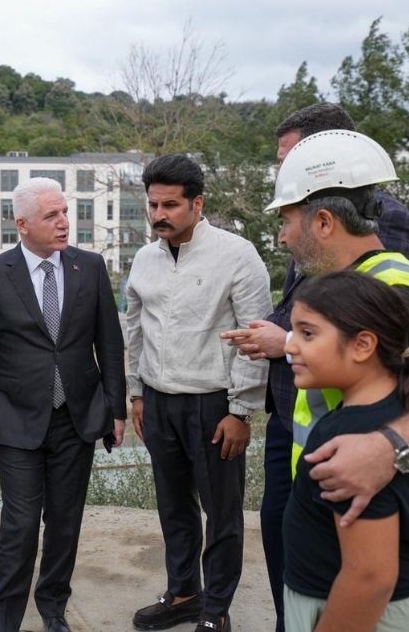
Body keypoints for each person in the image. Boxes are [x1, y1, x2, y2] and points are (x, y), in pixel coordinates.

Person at [219, 102, 409, 632]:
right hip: (298, 416)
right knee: (288, 538)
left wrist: (286, 340)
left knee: (339, 557)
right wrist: (274, 330)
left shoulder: (384, 228)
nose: (281, 172)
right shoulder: (314, 221)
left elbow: (372, 329)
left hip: (352, 430)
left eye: (290, 157)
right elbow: (315, 306)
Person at [263, 129, 409, 603]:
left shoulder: (396, 292)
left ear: (323, 222)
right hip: (360, 543)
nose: (282, 237)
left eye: (285, 221)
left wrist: (386, 452)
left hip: (403, 561)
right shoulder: (356, 288)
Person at [0, 176, 126, 632]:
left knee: (65, 523)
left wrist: (114, 411)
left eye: (64, 213)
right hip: (16, 420)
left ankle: (53, 608)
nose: (63, 223)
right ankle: (4, 620)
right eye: (51, 215)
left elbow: (108, 344)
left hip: (76, 419)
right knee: (18, 526)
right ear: (22, 224)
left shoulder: (89, 267)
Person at [126, 155, 271, 632]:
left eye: (170, 204)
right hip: (158, 401)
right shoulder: (144, 259)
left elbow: (255, 336)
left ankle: (216, 610)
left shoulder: (237, 254)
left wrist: (242, 410)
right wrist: (136, 393)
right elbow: (135, 330)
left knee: (222, 513)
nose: (159, 214)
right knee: (173, 506)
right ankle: (184, 592)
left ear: (197, 203)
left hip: (215, 405)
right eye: (153, 204)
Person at [282, 271, 409, 632]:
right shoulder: (405, 411)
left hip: (365, 614)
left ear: (363, 345)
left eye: (308, 333)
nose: (289, 346)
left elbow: (370, 578)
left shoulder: (349, 436)